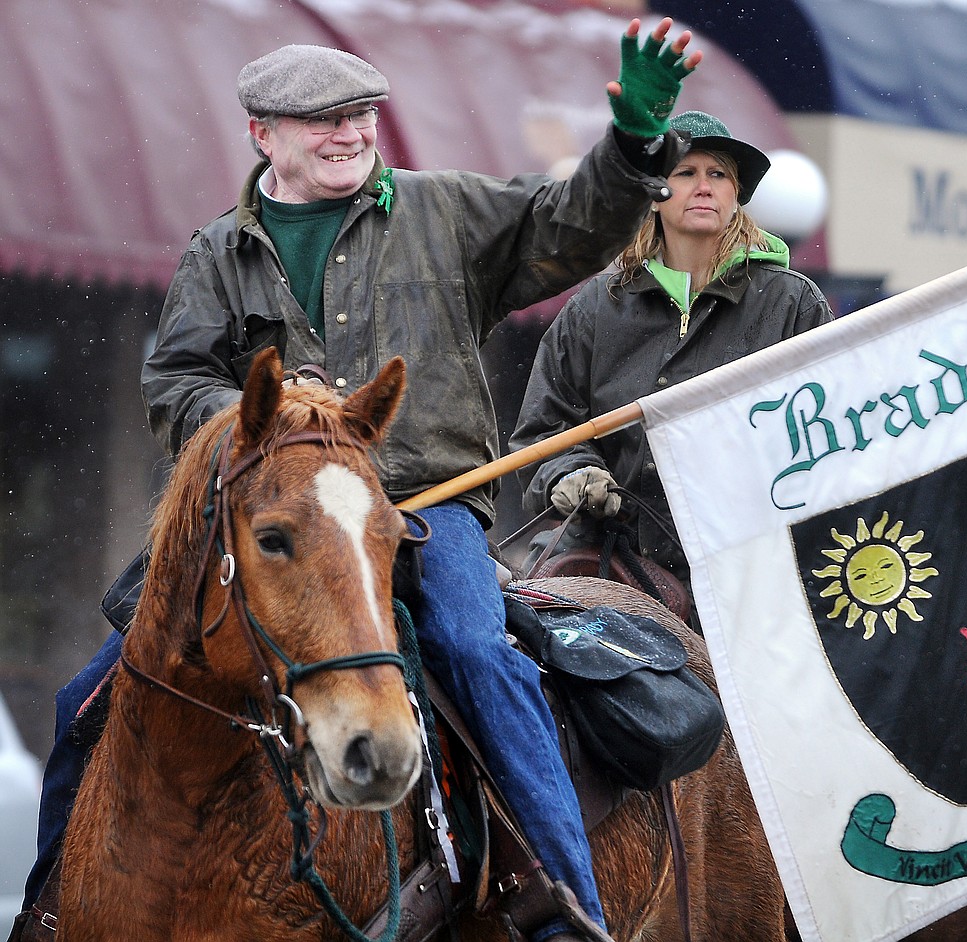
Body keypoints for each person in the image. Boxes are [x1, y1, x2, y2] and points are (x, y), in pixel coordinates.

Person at [14, 20, 702, 942]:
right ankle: (48, 914)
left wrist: (635, 143)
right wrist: (272, 434)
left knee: (477, 652)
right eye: (322, 121)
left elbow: (571, 223)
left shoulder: (446, 210)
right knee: (88, 697)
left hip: (422, 509)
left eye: (361, 116)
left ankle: (561, 900)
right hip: (269, 520)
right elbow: (174, 382)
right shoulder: (218, 252)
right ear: (264, 134)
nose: (349, 133)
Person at [510, 111, 834, 606]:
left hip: (748, 572)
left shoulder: (793, 305)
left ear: (736, 196)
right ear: (655, 194)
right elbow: (543, 431)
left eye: (718, 175)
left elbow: (825, 435)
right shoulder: (595, 307)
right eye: (685, 173)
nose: (703, 187)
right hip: (602, 559)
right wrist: (570, 472)